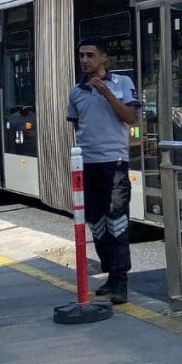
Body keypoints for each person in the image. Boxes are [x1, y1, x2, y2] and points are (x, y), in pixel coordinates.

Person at [66, 35, 140, 304]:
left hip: (114, 164)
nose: (84, 60)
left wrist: (106, 93)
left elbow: (130, 118)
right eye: (81, 56)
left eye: (90, 55)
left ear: (103, 57)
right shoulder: (76, 92)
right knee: (97, 223)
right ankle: (110, 274)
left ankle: (121, 281)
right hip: (87, 164)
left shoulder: (122, 83)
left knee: (117, 221)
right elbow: (78, 126)